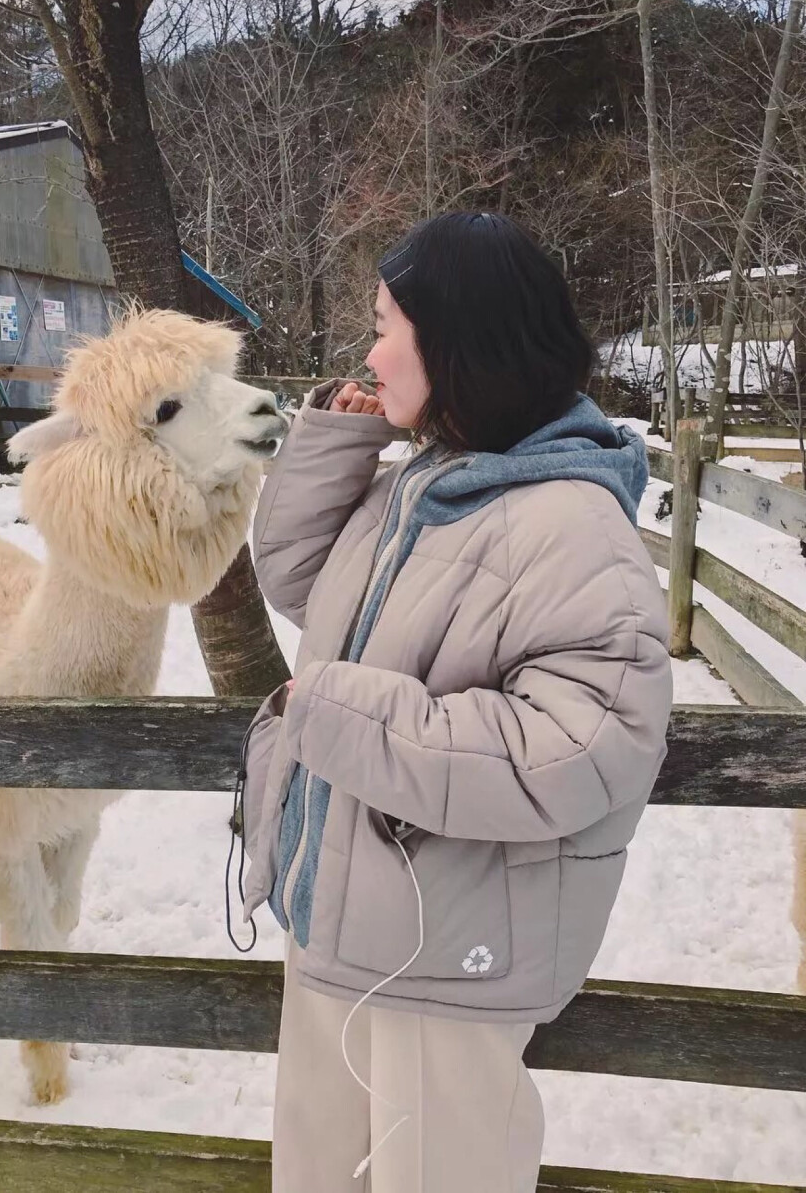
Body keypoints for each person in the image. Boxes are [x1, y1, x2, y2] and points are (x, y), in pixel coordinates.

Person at [235, 211, 673, 1193]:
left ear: (458, 340)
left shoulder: (567, 522)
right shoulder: (424, 485)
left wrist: (337, 713)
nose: (371, 348)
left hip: (446, 958)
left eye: (388, 325)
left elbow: (571, 750)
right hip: (344, 919)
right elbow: (309, 583)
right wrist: (343, 434)